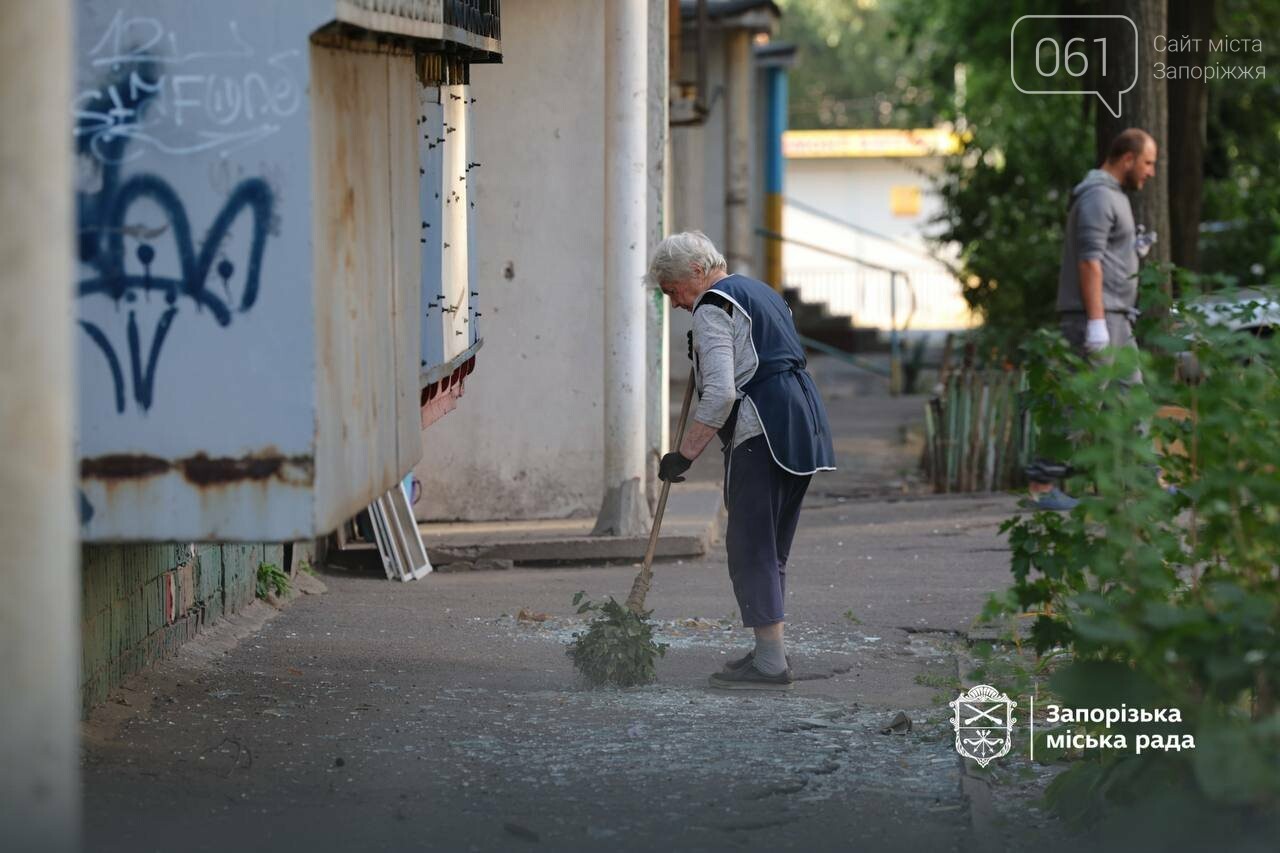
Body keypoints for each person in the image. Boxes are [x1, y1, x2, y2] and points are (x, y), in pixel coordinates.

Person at [648, 231, 835, 690]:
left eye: (672, 290)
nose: (675, 303)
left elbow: (720, 394)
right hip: (803, 422)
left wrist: (684, 454)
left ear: (696, 272)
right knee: (770, 545)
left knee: (751, 546)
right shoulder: (759, 292)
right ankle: (769, 650)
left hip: (764, 428)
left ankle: (770, 663)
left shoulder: (713, 305)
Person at [1028, 128, 1158, 511]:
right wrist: (1097, 324)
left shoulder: (1114, 196)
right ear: (1128, 158)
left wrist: (1134, 251)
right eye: (1148, 163)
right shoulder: (1098, 196)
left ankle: (1149, 483)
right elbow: (1089, 262)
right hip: (1097, 319)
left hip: (1118, 317)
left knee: (1134, 400)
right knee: (1080, 404)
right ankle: (1041, 486)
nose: (1151, 172)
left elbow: (1107, 254)